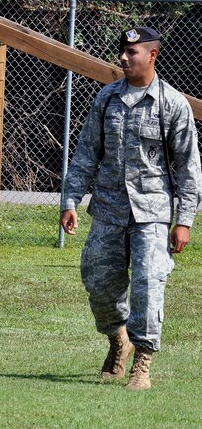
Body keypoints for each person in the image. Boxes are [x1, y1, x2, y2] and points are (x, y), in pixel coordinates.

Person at [60, 26, 200, 390]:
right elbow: (87, 152)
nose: (123, 57)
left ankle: (143, 360)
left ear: (152, 55)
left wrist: (183, 221)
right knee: (98, 280)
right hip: (108, 209)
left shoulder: (172, 103)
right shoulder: (107, 98)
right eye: (122, 50)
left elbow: (188, 168)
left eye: (132, 52)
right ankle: (117, 339)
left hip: (151, 213)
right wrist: (71, 199)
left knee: (148, 284)